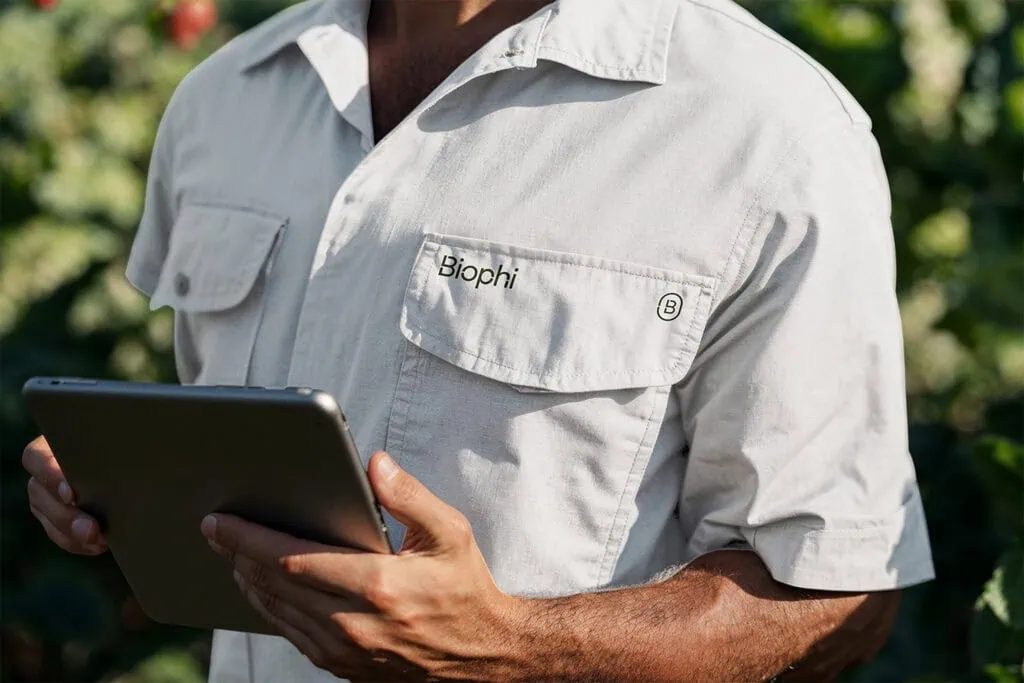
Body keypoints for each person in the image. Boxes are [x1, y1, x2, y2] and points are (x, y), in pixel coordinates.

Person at [22, 0, 936, 680]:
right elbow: (220, 449)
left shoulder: (768, 132)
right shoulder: (227, 99)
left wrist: (508, 644)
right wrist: (119, 482)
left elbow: (835, 596)